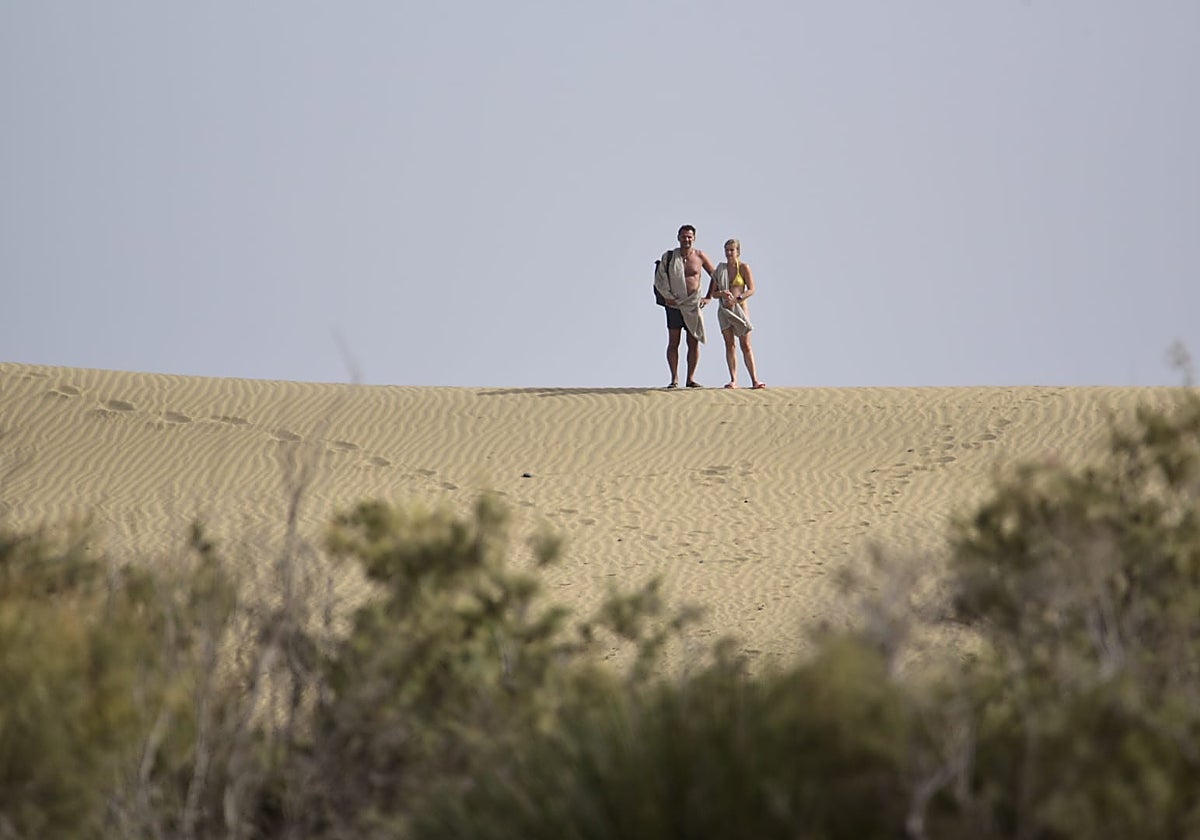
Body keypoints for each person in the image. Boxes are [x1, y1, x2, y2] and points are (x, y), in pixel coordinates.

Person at [654, 224, 715, 388]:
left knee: (693, 342)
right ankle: (674, 379)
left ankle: (691, 379)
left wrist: (708, 297)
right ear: (678, 238)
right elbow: (659, 279)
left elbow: (716, 276)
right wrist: (667, 297)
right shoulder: (669, 256)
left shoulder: (700, 256)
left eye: (689, 236)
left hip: (693, 305)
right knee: (673, 342)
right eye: (683, 236)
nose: (686, 239)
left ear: (694, 238)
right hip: (674, 305)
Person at [707, 238, 765, 389]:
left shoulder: (744, 268)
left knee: (746, 345)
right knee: (730, 345)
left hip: (740, 308)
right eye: (727, 250)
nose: (729, 253)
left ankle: (755, 380)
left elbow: (751, 289)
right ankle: (733, 379)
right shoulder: (721, 269)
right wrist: (722, 293)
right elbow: (713, 293)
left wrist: (738, 298)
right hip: (724, 310)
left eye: (732, 250)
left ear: (738, 252)